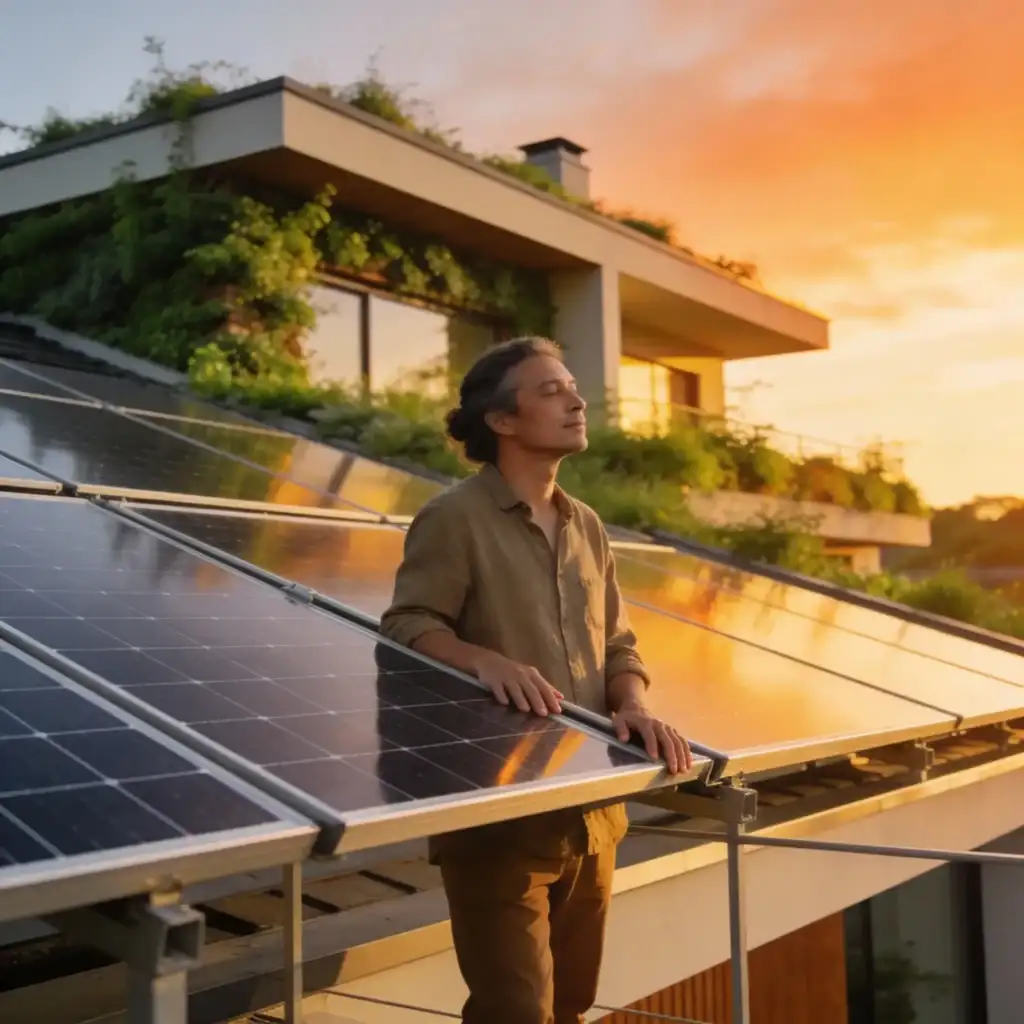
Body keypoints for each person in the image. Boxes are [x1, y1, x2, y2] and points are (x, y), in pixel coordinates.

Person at [379, 336, 690, 1024]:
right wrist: (482, 659)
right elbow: (405, 626)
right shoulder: (453, 518)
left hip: (595, 816)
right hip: (499, 817)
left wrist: (633, 702)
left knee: (572, 1007)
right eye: (550, 391)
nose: (577, 401)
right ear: (502, 421)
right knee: (515, 1014)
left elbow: (618, 642)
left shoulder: (588, 526)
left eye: (572, 387)